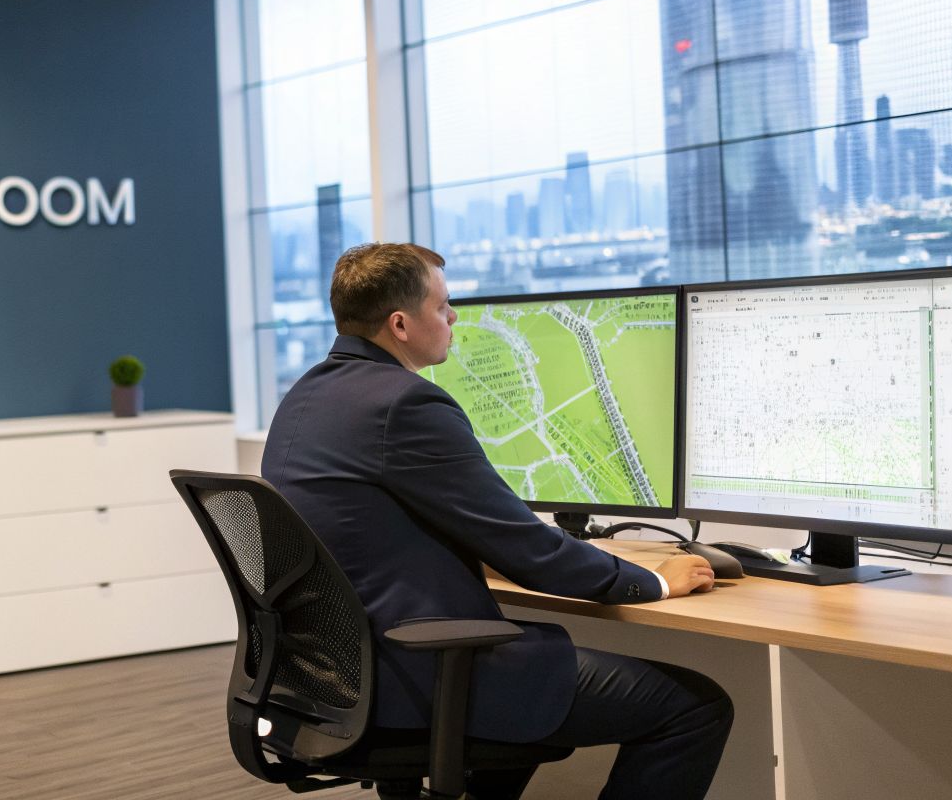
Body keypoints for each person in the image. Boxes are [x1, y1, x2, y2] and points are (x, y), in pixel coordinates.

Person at [263, 242, 731, 800]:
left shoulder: (307, 394)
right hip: (413, 672)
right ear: (401, 324)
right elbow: (530, 553)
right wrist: (654, 580)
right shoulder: (404, 404)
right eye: (443, 307)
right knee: (694, 708)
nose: (454, 317)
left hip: (328, 674)